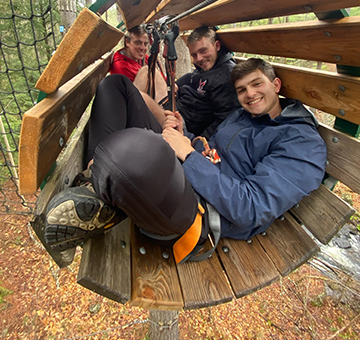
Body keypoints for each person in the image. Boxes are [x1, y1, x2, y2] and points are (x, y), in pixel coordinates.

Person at [44, 58, 327, 264]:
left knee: (132, 150)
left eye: (256, 84)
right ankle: (93, 191)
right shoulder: (242, 116)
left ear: (275, 84)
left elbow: (250, 209)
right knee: (115, 86)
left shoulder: (302, 143)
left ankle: (95, 197)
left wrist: (188, 156)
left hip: (202, 210)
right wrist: (186, 136)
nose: (249, 95)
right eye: (241, 90)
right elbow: (211, 149)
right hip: (188, 170)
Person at [139, 25, 240, 139]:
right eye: (194, 55)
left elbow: (225, 119)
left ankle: (130, 131)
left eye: (203, 51)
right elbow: (192, 77)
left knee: (140, 97)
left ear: (217, 45)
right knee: (145, 71)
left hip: (181, 126)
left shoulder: (226, 76)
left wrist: (195, 143)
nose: (199, 59)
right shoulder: (210, 65)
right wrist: (177, 85)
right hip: (174, 107)